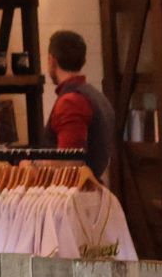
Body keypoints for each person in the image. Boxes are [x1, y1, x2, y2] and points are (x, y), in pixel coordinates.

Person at [44, 29, 115, 179]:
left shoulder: (71, 102)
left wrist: (31, 164)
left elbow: (70, 166)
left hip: (76, 196)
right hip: (91, 188)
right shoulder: (96, 96)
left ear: (52, 60)